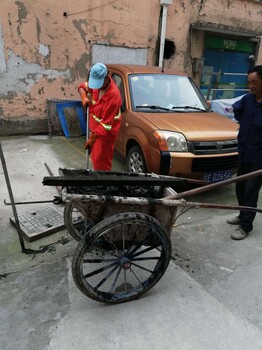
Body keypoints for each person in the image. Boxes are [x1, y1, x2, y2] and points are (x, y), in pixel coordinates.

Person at [227, 65, 262, 240]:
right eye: (249, 83)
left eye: (254, 82)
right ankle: (242, 216)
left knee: (250, 192)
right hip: (244, 152)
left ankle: (246, 226)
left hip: (259, 159)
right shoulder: (247, 100)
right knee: (240, 188)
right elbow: (236, 110)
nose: (251, 86)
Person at [78, 63, 122, 171]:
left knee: (102, 163)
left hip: (105, 135)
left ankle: (102, 183)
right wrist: (84, 98)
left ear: (106, 78)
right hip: (94, 128)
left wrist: (92, 139)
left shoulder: (114, 96)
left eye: (99, 83)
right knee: (94, 158)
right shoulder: (96, 86)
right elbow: (82, 87)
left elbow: (106, 125)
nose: (96, 87)